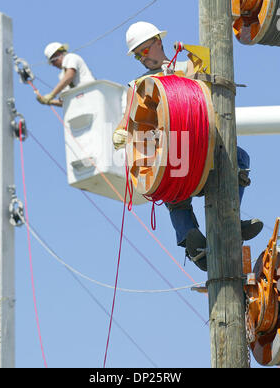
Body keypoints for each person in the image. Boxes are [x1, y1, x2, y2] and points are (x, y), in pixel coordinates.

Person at [113, 21, 263, 271]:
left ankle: (231, 221)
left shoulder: (183, 69)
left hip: (201, 142)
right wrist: (120, 132)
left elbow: (202, 73)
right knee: (174, 188)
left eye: (144, 51)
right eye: (137, 55)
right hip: (172, 149)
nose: (141, 58)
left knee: (239, 158)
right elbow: (130, 117)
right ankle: (190, 241)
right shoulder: (138, 86)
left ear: (158, 43)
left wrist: (192, 54)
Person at [36, 42, 95, 107]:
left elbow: (69, 75)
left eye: (53, 61)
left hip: (89, 95)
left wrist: (51, 95)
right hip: (80, 105)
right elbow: (64, 102)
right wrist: (49, 101)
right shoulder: (62, 76)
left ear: (58, 54)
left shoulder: (70, 57)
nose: (53, 65)